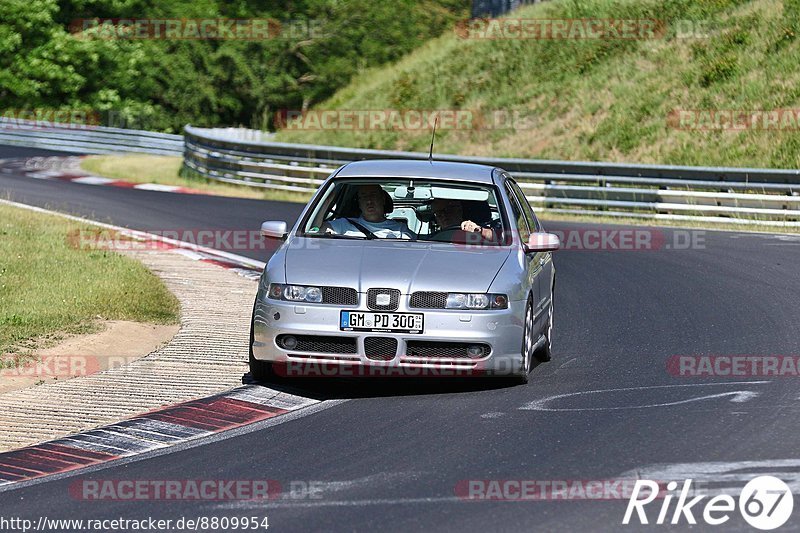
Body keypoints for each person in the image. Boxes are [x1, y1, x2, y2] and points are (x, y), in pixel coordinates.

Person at [323, 184, 415, 239]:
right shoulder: (343, 224)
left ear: (383, 199)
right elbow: (315, 230)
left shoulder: (400, 229)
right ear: (358, 202)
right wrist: (326, 202)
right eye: (364, 196)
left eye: (373, 195)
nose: (369, 201)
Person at [430, 198, 498, 241]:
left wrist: (479, 230)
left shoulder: (478, 232)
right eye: (439, 213)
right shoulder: (426, 241)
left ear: (460, 210)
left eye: (449, 210)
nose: (444, 215)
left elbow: (499, 238)